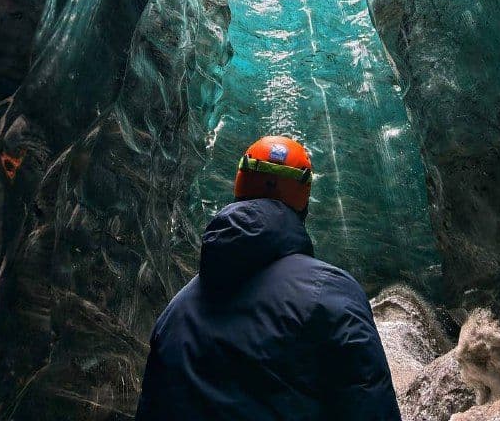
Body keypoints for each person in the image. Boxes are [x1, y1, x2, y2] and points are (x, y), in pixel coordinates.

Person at [135, 135, 401, 420]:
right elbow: (371, 406)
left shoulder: (176, 312)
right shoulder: (332, 294)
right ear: (304, 200)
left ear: (240, 186)